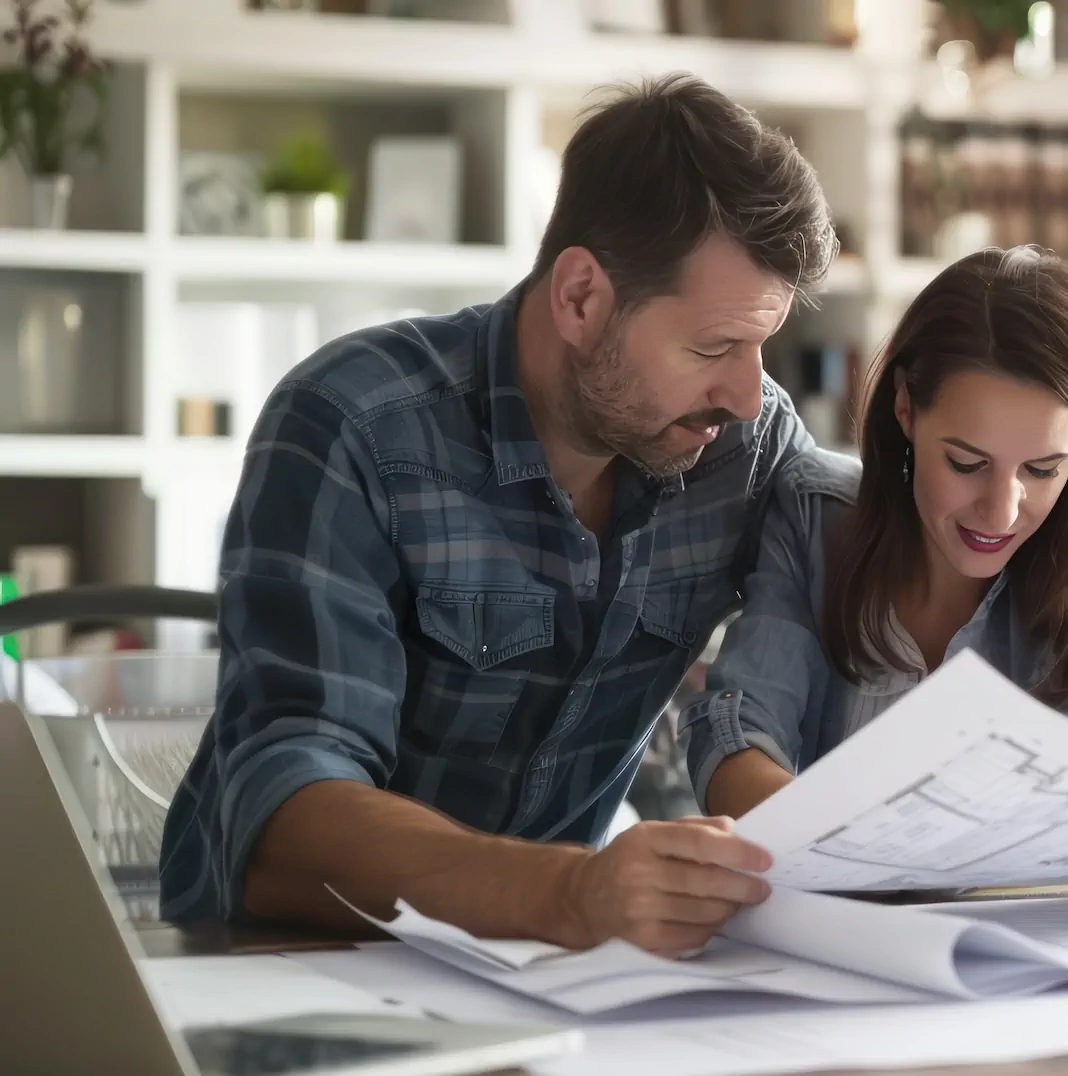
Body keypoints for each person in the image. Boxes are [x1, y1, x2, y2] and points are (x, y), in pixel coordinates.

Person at [158, 73, 837, 958]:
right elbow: (283, 817)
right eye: (713, 347)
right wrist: (569, 891)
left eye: (761, 346)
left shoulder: (740, 445)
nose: (748, 394)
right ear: (581, 297)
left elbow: (901, 554)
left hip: (546, 969)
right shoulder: (350, 422)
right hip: (283, 963)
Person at [683, 246, 1068, 880]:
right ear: (905, 410)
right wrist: (835, 851)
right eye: (966, 463)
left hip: (1042, 948)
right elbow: (739, 727)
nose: (1001, 512)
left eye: (1041, 469)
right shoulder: (815, 518)